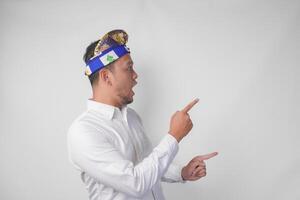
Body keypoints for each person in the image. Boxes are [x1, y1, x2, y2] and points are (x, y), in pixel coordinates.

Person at [67, 29, 218, 200]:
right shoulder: (84, 132)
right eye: (129, 68)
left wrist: (182, 173)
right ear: (106, 77)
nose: (135, 75)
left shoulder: (131, 117)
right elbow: (135, 183)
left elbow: (146, 164)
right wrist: (174, 136)